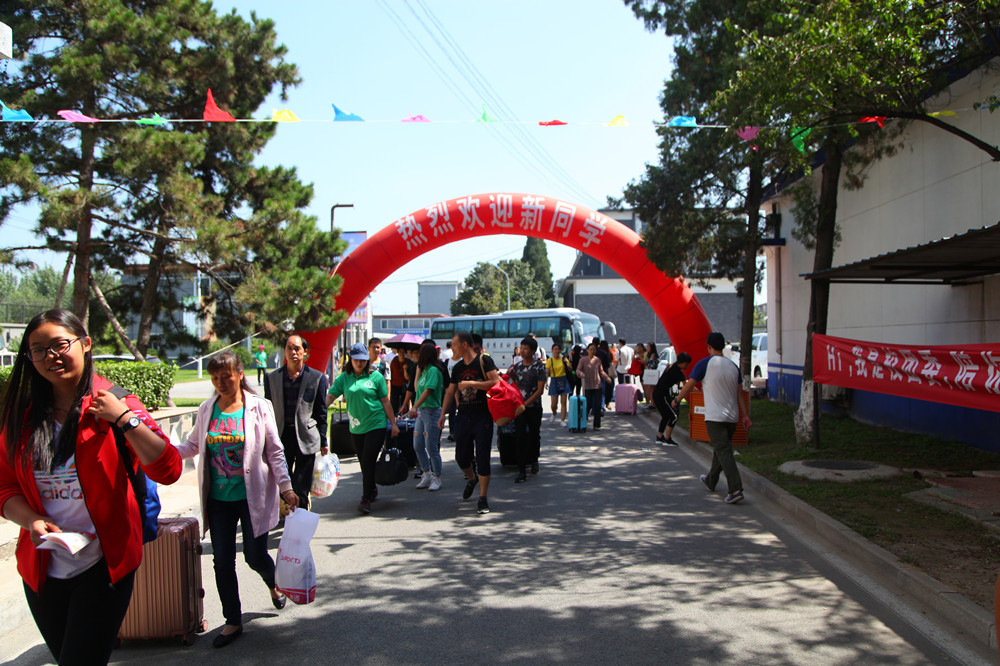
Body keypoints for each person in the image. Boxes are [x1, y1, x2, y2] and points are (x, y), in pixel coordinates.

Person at [0, 309, 182, 665]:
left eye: (60, 344)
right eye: (38, 350)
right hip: (42, 570)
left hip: (104, 566)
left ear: (85, 344)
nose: (51, 356)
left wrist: (124, 418)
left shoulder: (115, 402)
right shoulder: (22, 417)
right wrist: (31, 520)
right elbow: (4, 487)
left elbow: (169, 468)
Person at [176, 352, 298, 648]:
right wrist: (161, 452)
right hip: (218, 500)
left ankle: (273, 582)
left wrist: (286, 487)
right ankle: (232, 620)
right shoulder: (207, 409)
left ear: (240, 374)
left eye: (226, 376)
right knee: (222, 561)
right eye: (215, 378)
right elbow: (192, 444)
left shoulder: (258, 406)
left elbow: (274, 450)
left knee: (254, 556)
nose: (221, 383)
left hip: (252, 496)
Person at [674, 332, 752, 504]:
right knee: (721, 449)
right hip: (732, 417)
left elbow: (689, 385)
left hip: (714, 417)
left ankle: (735, 489)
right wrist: (745, 415)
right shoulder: (733, 366)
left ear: (708, 347)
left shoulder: (704, 364)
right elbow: (740, 393)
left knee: (723, 450)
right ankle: (711, 480)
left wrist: (677, 400)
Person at [327, 343, 398, 514]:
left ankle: (365, 499)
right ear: (350, 360)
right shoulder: (344, 378)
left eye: (363, 360)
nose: (360, 363)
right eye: (356, 360)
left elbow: (385, 401)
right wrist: (319, 411)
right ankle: (371, 489)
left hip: (376, 423)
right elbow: (330, 396)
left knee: (367, 460)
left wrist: (393, 423)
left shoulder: (376, 377)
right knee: (363, 462)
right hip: (357, 427)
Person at [438, 331, 499, 514]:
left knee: (482, 458)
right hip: (463, 417)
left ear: (464, 345)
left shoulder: (484, 360)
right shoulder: (457, 368)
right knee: (461, 457)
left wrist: (472, 383)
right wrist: (442, 415)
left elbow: (495, 382)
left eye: (454, 344)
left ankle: (483, 498)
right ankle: (472, 478)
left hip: (483, 416)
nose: (452, 348)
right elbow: (450, 392)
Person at [264, 335, 328, 509]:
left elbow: (321, 411)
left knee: (301, 485)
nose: (293, 352)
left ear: (304, 352)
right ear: (285, 351)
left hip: (306, 437)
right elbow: (267, 411)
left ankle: (301, 515)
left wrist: (323, 440)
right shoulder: (272, 378)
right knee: (284, 483)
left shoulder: (317, 378)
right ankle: (287, 513)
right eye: (289, 348)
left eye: (297, 348)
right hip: (281, 436)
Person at [508, 337, 547, 483]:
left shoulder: (539, 367)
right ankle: (522, 470)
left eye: (526, 348)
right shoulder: (517, 367)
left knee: (534, 435)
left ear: (533, 351)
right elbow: (514, 385)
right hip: (520, 408)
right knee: (520, 437)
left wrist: (526, 404)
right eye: (521, 348)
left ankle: (534, 459)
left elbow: (540, 390)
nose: (522, 351)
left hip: (534, 407)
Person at [408, 343, 445, 491]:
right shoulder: (425, 370)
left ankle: (437, 477)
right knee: (417, 445)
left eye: (420, 353)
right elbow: (416, 388)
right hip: (422, 413)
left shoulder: (434, 371)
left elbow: (428, 391)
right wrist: (418, 371)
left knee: (431, 446)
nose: (417, 355)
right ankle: (426, 473)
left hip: (432, 411)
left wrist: (414, 407)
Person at [653, 352, 692, 446]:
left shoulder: (673, 366)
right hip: (662, 395)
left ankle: (660, 437)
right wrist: (699, 392)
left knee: (666, 416)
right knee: (673, 417)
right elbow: (688, 385)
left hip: (658, 394)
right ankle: (667, 439)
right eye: (686, 364)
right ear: (682, 362)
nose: (687, 366)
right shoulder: (677, 372)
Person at [576, 343, 612, 431]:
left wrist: (607, 377)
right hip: (587, 386)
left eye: (594, 349)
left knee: (597, 405)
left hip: (597, 385)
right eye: (591, 349)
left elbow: (601, 371)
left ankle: (596, 425)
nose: (592, 351)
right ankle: (582, 423)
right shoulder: (583, 360)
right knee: (587, 405)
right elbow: (578, 369)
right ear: (587, 350)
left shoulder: (597, 360)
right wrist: (580, 373)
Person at [544, 343, 572, 424]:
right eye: (555, 349)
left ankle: (562, 420)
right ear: (552, 351)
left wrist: (567, 364)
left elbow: (571, 369)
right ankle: (554, 413)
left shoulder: (564, 359)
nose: (557, 351)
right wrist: (546, 381)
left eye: (558, 349)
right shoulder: (550, 360)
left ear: (560, 351)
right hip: (554, 380)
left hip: (563, 380)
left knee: (563, 402)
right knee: (553, 404)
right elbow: (547, 372)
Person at [642, 343, 660, 408]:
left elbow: (653, 365)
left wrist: (651, 359)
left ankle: (653, 403)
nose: (647, 348)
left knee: (652, 389)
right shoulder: (649, 355)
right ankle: (651, 402)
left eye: (648, 347)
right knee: (650, 388)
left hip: (652, 374)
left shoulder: (654, 355)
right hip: (650, 373)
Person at [597, 340, 614, 407]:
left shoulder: (597, 352)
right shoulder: (608, 353)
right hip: (606, 373)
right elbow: (609, 364)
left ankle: (599, 406)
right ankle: (604, 404)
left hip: (597, 373)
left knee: (599, 391)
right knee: (605, 390)